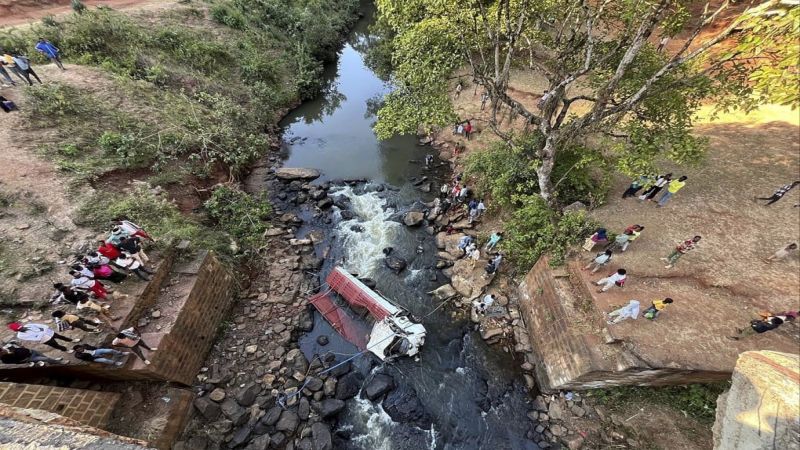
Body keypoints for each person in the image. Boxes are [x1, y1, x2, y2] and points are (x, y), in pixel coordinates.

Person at [7, 322, 79, 352]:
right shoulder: (21, 336)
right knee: (56, 345)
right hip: (44, 339)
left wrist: (43, 330)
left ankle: (72, 340)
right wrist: (42, 332)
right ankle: (66, 350)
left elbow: (41, 326)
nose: (22, 328)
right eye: (20, 329)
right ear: (16, 331)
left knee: (61, 337)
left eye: (21, 327)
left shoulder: (28, 325)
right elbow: (35, 338)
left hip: (49, 332)